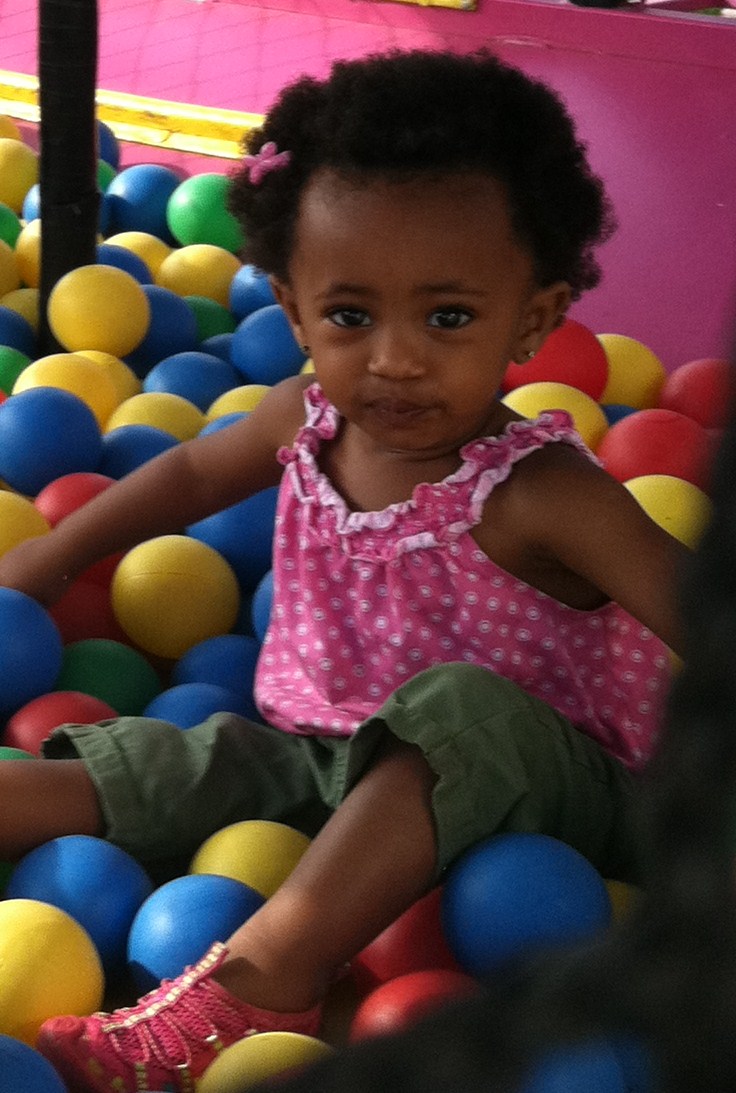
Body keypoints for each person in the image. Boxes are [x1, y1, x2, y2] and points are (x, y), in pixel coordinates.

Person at [0, 49, 687, 1093]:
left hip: (558, 794)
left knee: (455, 708)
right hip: (331, 761)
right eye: (351, 315)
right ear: (291, 305)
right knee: (168, 761)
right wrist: (50, 557)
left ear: (533, 317)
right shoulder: (307, 418)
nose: (394, 359)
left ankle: (262, 979)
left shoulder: (541, 490)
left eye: (447, 316)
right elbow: (189, 470)